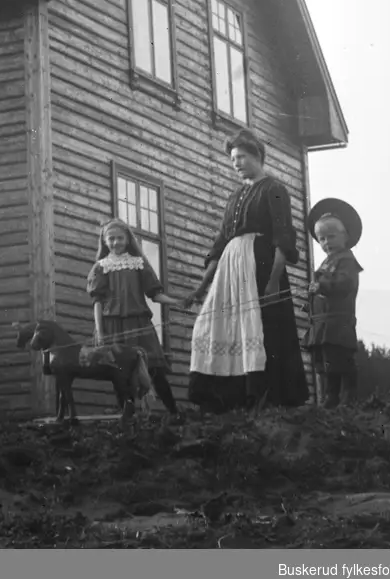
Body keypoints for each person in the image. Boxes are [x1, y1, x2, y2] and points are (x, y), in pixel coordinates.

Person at [184, 129, 309, 412]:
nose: (236, 163)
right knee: (215, 324)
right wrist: (201, 288)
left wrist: (275, 280)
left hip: (261, 266)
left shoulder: (274, 189)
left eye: (241, 157)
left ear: (257, 156)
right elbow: (220, 243)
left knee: (263, 327)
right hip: (230, 270)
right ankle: (225, 397)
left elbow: (283, 236)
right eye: (232, 159)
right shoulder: (235, 196)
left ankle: (266, 396)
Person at [87, 218, 185, 420]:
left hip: (138, 323)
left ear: (127, 239)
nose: (115, 243)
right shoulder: (100, 267)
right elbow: (97, 301)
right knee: (119, 371)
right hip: (112, 325)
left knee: (154, 366)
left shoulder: (139, 264)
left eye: (120, 238)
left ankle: (174, 412)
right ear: (105, 241)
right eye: (111, 239)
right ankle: (126, 415)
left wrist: (177, 302)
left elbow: (155, 294)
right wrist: (100, 332)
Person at [302, 198, 363, 409]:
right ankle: (331, 397)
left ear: (345, 236)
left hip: (337, 322)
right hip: (322, 322)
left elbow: (344, 284)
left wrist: (322, 287)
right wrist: (310, 300)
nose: (326, 242)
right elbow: (321, 288)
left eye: (331, 237)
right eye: (322, 239)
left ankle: (348, 399)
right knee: (326, 362)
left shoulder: (346, 260)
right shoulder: (326, 262)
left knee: (340, 360)